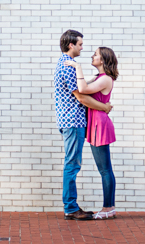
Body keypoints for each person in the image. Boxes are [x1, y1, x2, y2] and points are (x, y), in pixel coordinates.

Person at [54, 30, 113, 221]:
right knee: (72, 164)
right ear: (71, 45)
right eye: (80, 44)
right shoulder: (69, 67)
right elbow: (81, 96)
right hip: (73, 121)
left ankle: (72, 206)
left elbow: (82, 88)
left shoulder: (65, 64)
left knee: (73, 163)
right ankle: (70, 207)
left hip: (73, 121)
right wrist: (104, 106)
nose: (82, 47)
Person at [64, 46, 118, 220]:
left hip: (100, 125)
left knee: (105, 169)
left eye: (95, 54)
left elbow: (83, 90)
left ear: (102, 60)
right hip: (95, 124)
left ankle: (108, 208)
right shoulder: (99, 78)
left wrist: (77, 67)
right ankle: (109, 207)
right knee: (104, 169)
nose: (92, 56)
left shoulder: (105, 79)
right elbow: (83, 87)